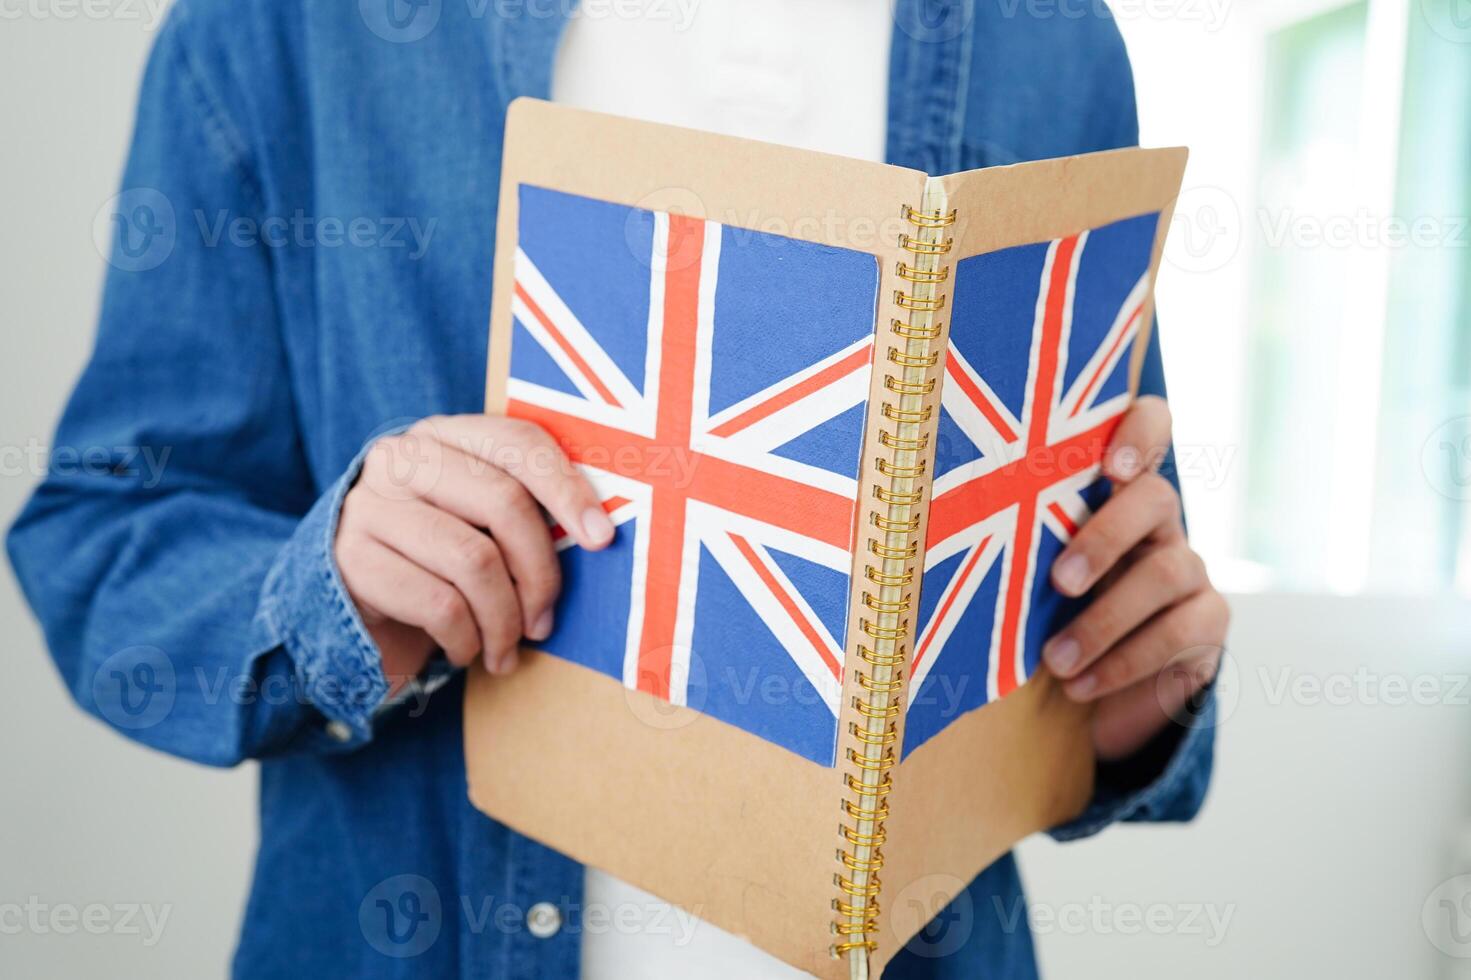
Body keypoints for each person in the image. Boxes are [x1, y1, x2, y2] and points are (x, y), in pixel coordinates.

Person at [8, 1, 1228, 977]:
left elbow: (1101, 545)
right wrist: (329, 586)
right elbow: (103, 536)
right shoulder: (276, 26)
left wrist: (1123, 692)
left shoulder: (1052, 38)